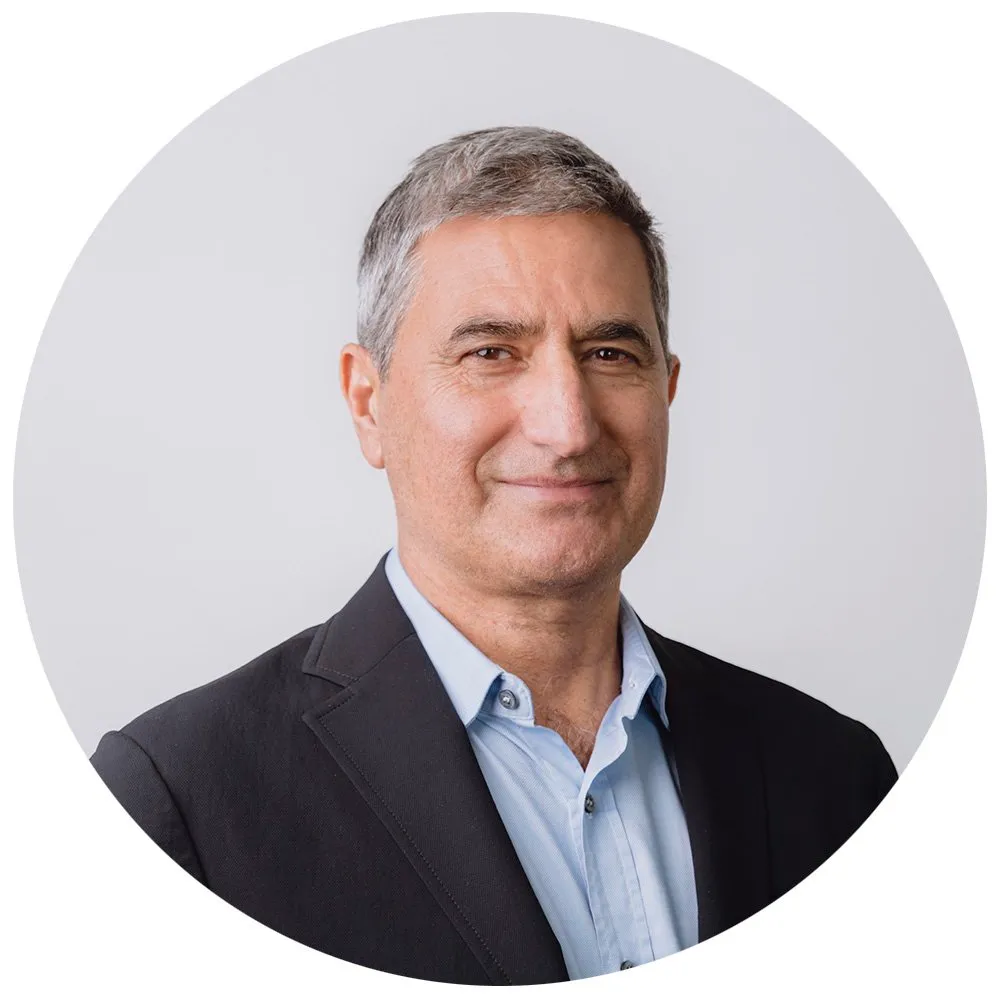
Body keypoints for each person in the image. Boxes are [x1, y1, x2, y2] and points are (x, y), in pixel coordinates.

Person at [91, 126, 897, 985]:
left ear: (667, 389)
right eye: (490, 353)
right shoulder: (178, 803)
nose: (568, 423)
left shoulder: (835, 778)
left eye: (609, 354)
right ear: (369, 403)